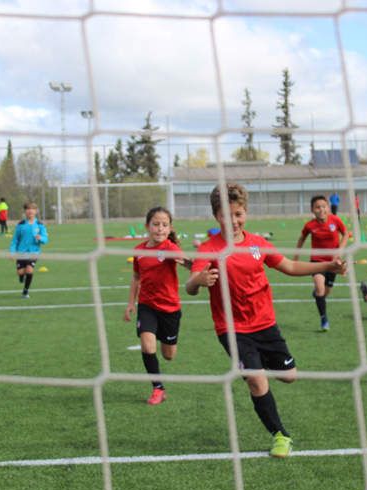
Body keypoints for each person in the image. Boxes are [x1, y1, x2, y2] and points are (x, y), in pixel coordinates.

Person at [186, 183, 346, 458]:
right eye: (227, 214)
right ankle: (280, 435)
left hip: (264, 323)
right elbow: (190, 286)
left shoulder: (258, 244)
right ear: (216, 216)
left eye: (239, 214)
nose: (234, 221)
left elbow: (290, 266)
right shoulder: (209, 249)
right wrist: (198, 281)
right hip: (232, 329)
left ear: (245, 212)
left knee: (289, 376)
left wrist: (328, 266)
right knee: (258, 383)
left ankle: (254, 367)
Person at [124, 207, 187, 405]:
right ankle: (158, 388)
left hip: (170, 308)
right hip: (147, 305)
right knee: (147, 345)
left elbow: (189, 264)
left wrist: (194, 266)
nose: (160, 229)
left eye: (164, 225)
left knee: (168, 355)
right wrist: (130, 303)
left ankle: (165, 342)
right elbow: (136, 277)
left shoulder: (171, 248)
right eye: (156, 224)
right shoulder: (139, 251)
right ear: (147, 226)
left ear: (170, 228)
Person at [293, 195, 349, 331]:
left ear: (328, 208)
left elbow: (346, 233)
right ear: (313, 210)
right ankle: (324, 318)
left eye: (324, 206)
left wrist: (340, 251)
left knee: (325, 291)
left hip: (333, 263)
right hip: (316, 262)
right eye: (318, 207)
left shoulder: (335, 220)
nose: (321, 209)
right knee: (320, 288)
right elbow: (301, 239)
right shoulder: (310, 225)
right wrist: (296, 257)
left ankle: (319, 296)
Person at [9, 202, 48, 298]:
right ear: (25, 211)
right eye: (28, 209)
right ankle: (21, 277)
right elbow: (15, 240)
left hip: (34, 252)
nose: (30, 211)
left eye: (32, 209)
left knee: (29, 270)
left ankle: (25, 291)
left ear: (36, 211)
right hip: (21, 252)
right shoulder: (21, 225)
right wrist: (12, 252)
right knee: (21, 272)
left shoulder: (40, 225)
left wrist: (41, 239)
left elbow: (45, 239)